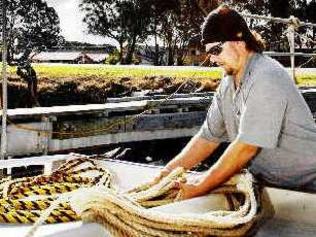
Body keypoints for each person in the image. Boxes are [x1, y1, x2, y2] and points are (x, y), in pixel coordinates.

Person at [155, 5, 316, 200]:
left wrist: (201, 187)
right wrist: (165, 174)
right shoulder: (228, 83)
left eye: (216, 49)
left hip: (308, 188)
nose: (212, 58)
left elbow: (246, 147)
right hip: (274, 190)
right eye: (208, 52)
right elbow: (207, 138)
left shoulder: (266, 76)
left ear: (239, 40)